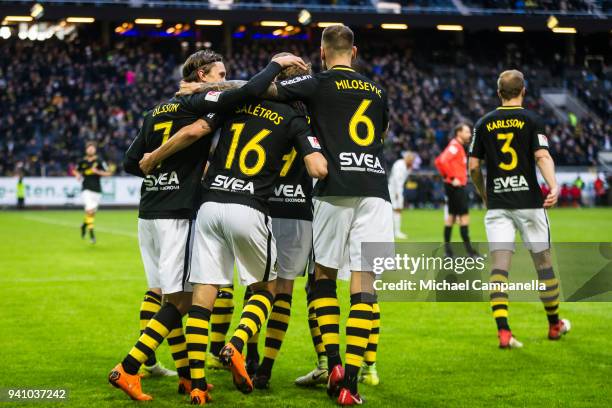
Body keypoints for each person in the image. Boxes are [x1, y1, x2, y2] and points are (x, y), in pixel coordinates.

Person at [178, 25, 391, 405]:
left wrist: (206, 89)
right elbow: (382, 134)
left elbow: (258, 89)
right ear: (354, 52)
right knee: (364, 285)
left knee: (321, 278)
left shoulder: (318, 84)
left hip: (333, 188)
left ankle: (334, 361)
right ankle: (351, 384)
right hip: (376, 189)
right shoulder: (379, 92)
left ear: (323, 55)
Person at [108, 51, 307, 402]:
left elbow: (129, 163)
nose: (226, 78)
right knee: (184, 300)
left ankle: (188, 379)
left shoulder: (156, 111)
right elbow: (209, 119)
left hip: (150, 210)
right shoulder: (207, 105)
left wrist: (156, 167)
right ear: (202, 76)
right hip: (182, 212)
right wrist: (162, 160)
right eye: (221, 73)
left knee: (166, 294)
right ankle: (131, 365)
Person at [469, 69, 570, 349]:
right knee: (544, 266)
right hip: (529, 203)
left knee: (499, 269)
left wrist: (484, 194)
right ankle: (554, 325)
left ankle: (504, 332)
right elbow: (542, 155)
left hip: (498, 204)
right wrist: (554, 186)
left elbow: (474, 167)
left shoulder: (483, 123)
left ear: (499, 93)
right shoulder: (532, 120)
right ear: (523, 91)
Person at [434, 123, 478, 258]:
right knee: (464, 218)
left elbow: (439, 162)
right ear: (458, 133)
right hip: (456, 187)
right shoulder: (455, 146)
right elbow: (441, 161)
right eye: (467, 132)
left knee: (451, 218)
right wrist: (451, 177)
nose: (469, 135)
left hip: (453, 186)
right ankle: (470, 252)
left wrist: (448, 178)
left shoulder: (457, 146)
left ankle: (448, 252)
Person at [75, 141, 113, 244]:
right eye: (89, 148)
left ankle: (83, 226)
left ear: (95, 150)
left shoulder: (99, 161)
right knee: (90, 210)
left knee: (91, 214)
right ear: (86, 150)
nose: (90, 150)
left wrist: (98, 172)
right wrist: (78, 175)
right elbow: (77, 171)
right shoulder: (82, 161)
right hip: (86, 189)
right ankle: (91, 234)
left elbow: (109, 173)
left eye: (92, 148)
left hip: (97, 190)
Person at [388, 151, 415, 239]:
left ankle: (395, 231)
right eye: (411, 160)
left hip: (397, 190)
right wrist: (397, 193)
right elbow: (396, 180)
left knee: (396, 210)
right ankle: (396, 232)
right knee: (397, 210)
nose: (412, 162)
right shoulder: (400, 165)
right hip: (394, 190)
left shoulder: (407, 166)